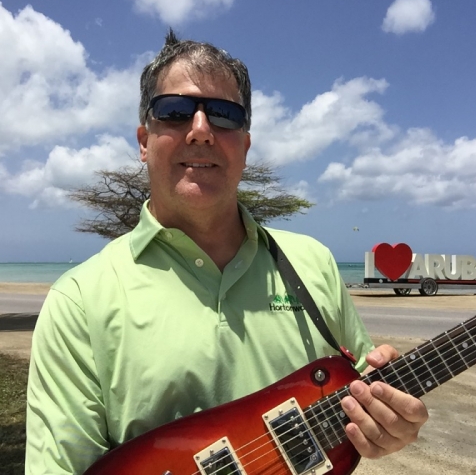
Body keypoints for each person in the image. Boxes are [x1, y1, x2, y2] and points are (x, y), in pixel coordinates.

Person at [25, 29, 428, 474]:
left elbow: (360, 396)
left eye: (223, 115)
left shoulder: (313, 263)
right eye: (175, 111)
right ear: (143, 141)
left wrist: (389, 421)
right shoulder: (79, 300)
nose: (200, 131)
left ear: (245, 146)